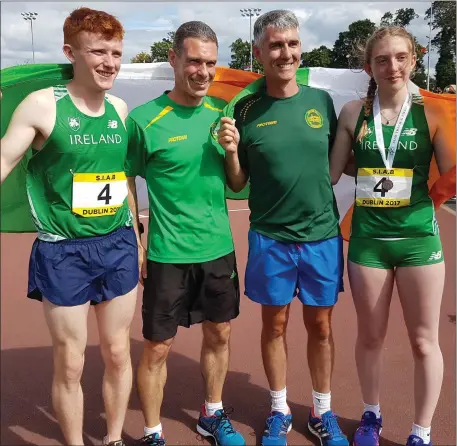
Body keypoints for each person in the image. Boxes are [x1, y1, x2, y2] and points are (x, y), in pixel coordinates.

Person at [0, 7, 139, 446]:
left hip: (117, 244)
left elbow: (122, 178)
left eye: (116, 52)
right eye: (97, 51)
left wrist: (135, 235)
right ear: (70, 52)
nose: (109, 62)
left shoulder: (119, 107)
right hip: (64, 252)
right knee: (72, 361)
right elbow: (5, 159)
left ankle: (114, 439)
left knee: (118, 352)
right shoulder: (43, 105)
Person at [218, 9, 349, 446]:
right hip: (270, 238)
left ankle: (321, 412)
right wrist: (233, 152)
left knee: (322, 328)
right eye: (276, 45)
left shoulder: (321, 103)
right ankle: (278, 410)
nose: (286, 52)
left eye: (292, 44)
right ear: (259, 52)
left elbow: (341, 162)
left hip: (322, 237)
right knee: (274, 326)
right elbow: (237, 184)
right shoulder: (245, 110)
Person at [329, 26, 453, 446]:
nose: (392, 66)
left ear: (414, 59)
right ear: (369, 66)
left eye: (400, 57)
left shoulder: (433, 112)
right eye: (382, 59)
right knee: (370, 336)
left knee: (423, 341)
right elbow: (333, 169)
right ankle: (371, 414)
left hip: (419, 240)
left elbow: (451, 175)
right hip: (368, 244)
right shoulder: (352, 113)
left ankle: (421, 431)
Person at [124, 21, 245, 446]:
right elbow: (126, 178)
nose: (203, 71)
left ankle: (211, 415)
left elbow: (236, 183)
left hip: (218, 249)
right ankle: (153, 432)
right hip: (166, 253)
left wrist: (232, 152)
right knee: (157, 347)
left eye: (211, 62)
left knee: (220, 334)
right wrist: (135, 237)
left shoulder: (222, 116)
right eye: (194, 60)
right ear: (174, 59)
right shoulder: (144, 120)